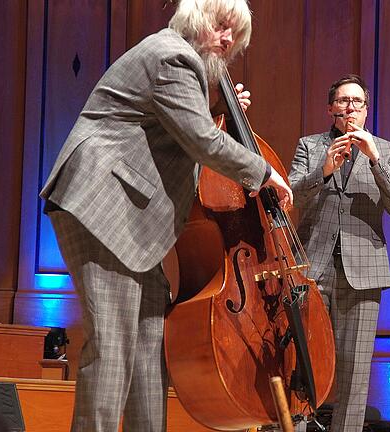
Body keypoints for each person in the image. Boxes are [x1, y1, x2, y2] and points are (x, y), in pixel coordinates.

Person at [39, 0, 292, 430]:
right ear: (195, 17)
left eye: (236, 36)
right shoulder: (173, 55)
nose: (228, 40)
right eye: (222, 26)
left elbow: (176, 134)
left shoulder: (176, 62)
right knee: (114, 349)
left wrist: (212, 119)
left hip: (130, 224)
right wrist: (263, 171)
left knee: (148, 347)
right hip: (104, 209)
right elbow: (202, 143)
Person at [288, 74, 390, 432]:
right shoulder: (310, 146)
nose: (350, 108)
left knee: (355, 373)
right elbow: (290, 198)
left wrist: (374, 159)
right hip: (313, 267)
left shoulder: (388, 151)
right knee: (303, 362)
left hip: (364, 272)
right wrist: (323, 170)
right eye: (342, 101)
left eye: (357, 102)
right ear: (330, 109)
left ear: (366, 110)